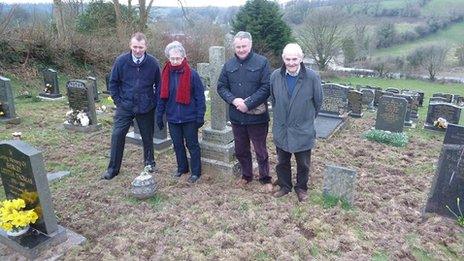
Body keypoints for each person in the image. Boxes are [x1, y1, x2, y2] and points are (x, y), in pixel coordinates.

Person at [217, 31, 272, 192]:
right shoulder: (228, 65)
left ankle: (265, 177)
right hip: (237, 117)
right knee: (241, 149)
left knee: (260, 149)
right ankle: (246, 176)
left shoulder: (262, 62)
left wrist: (248, 103)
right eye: (238, 46)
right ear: (234, 46)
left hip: (257, 117)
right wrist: (234, 100)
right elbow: (221, 86)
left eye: (244, 46)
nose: (241, 49)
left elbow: (266, 87)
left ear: (250, 45)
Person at [102, 32, 160, 180]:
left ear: (146, 46)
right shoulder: (121, 61)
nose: (138, 50)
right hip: (125, 106)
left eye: (140, 47)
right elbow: (113, 82)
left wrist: (153, 101)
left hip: (145, 106)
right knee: (117, 135)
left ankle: (149, 162)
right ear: (130, 46)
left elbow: (159, 85)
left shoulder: (153, 63)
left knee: (147, 137)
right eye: (135, 47)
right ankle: (113, 169)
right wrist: (118, 101)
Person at [270, 43, 323, 202]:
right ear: (283, 59)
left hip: (303, 129)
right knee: (282, 161)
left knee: (303, 163)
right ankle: (285, 186)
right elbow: (274, 100)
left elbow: (318, 102)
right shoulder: (275, 76)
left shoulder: (312, 77)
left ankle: (301, 188)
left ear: (301, 58)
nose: (291, 63)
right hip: (282, 128)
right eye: (288, 59)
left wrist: (305, 119)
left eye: (295, 59)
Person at [156, 41, 206, 183]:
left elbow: (200, 97)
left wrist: (200, 116)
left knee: (192, 145)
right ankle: (182, 168)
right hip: (172, 118)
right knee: (177, 145)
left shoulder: (192, 75)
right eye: (172, 58)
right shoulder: (165, 75)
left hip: (189, 118)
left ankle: (196, 172)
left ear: (184, 58)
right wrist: (159, 116)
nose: (175, 61)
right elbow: (161, 97)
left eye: (178, 58)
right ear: (168, 58)